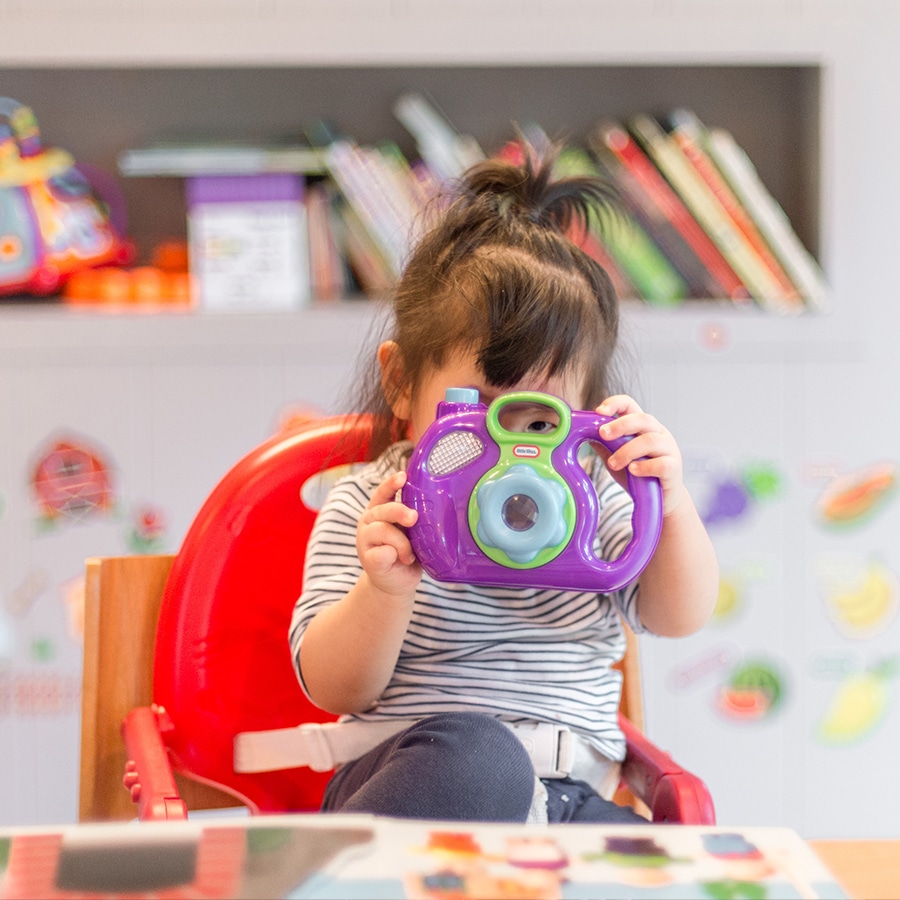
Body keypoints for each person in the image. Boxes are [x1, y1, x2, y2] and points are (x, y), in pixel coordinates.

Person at [289, 140, 719, 824]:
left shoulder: (593, 500)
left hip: (571, 797)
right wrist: (384, 588)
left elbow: (679, 615)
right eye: (481, 409)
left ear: (583, 413)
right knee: (480, 759)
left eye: (537, 417)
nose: (508, 448)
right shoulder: (376, 507)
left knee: (659, 867)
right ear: (402, 383)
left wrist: (666, 505)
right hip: (422, 782)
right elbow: (331, 683)